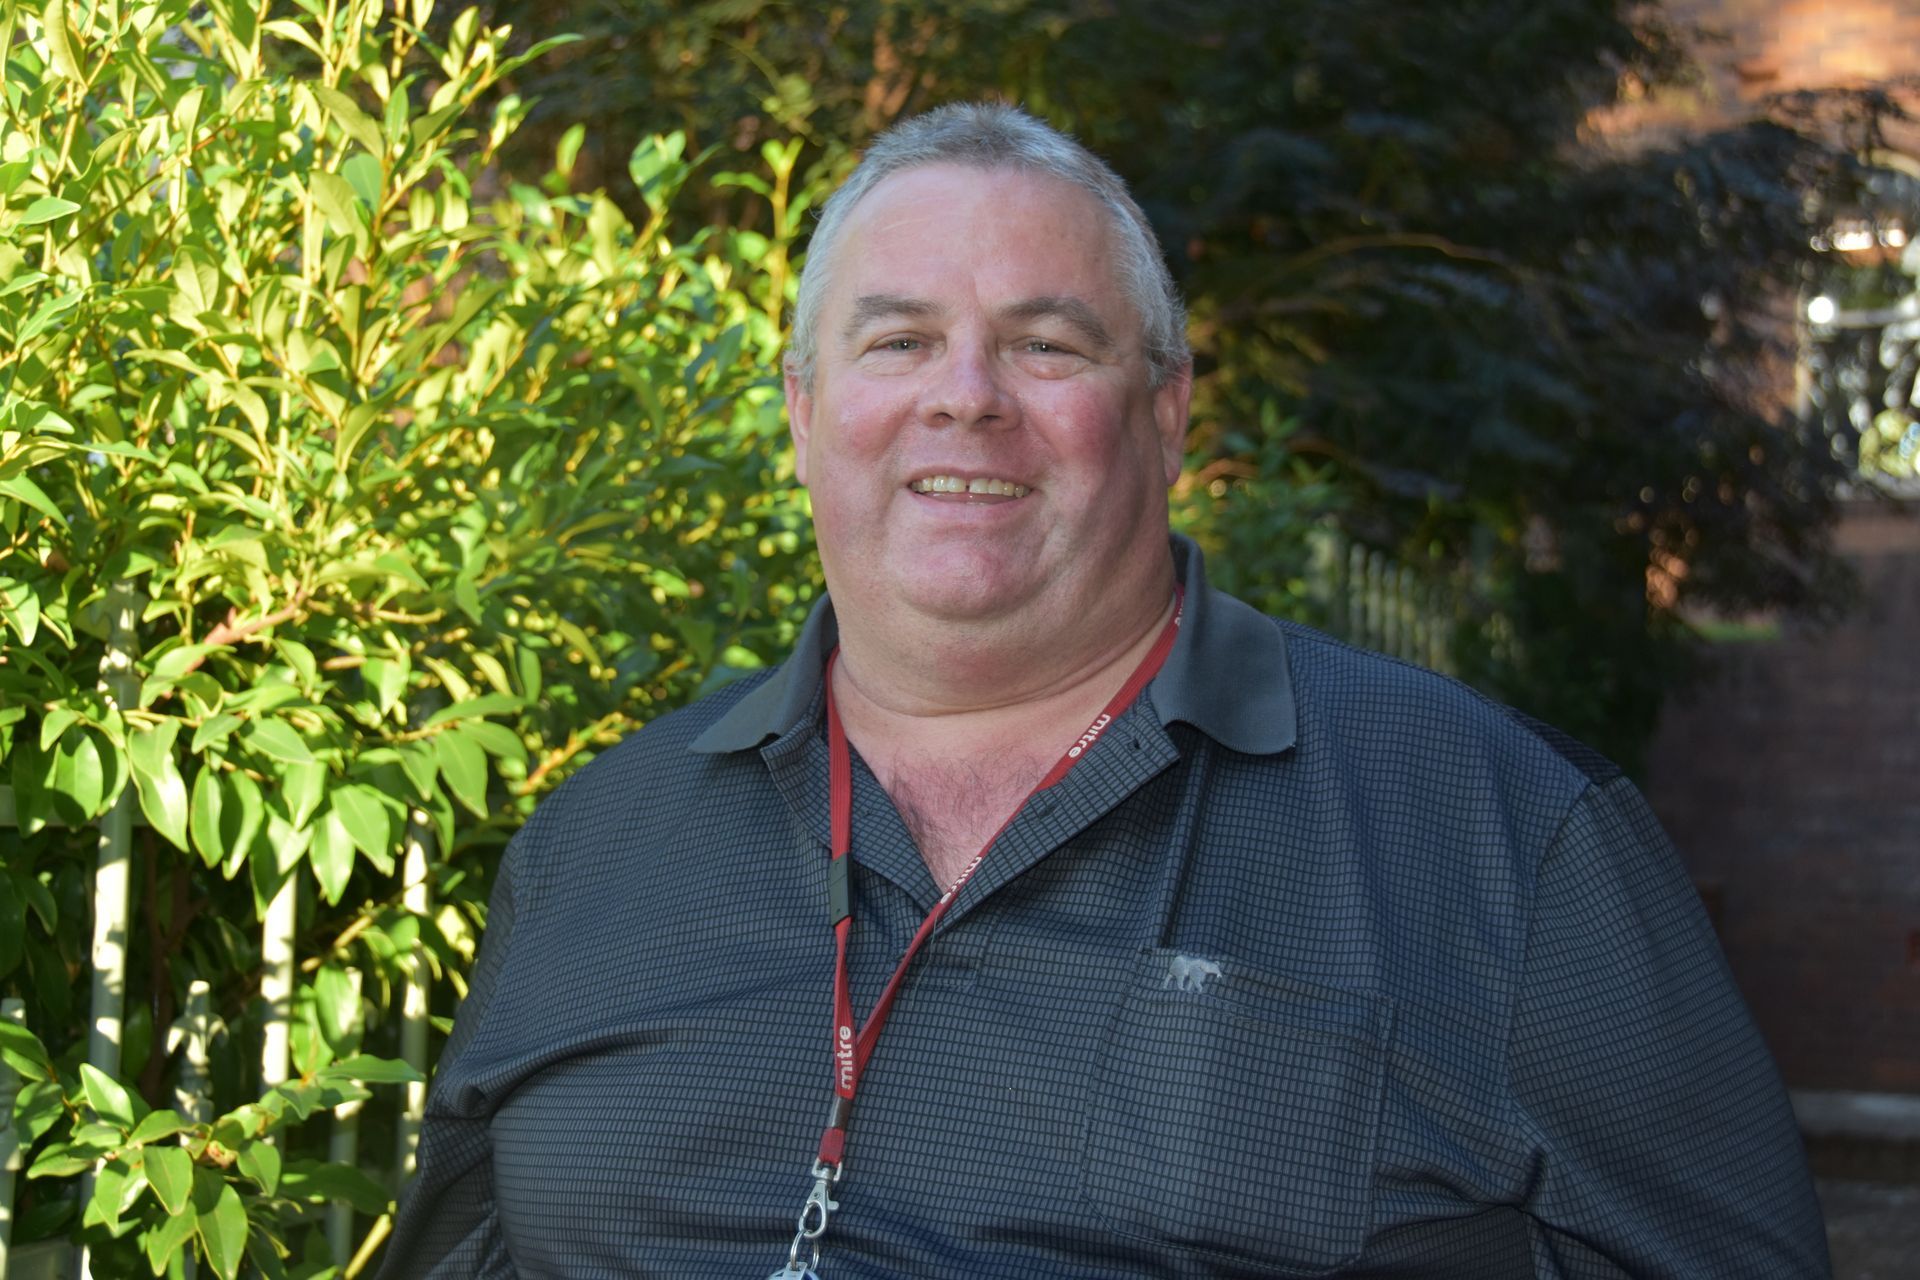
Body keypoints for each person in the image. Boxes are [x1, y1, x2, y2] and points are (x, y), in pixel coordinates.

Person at [381, 103, 1830, 1279]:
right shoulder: (589, 852)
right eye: (897, 342)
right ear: (805, 413)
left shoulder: (1508, 837)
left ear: (1167, 409)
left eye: (1046, 344)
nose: (966, 396)